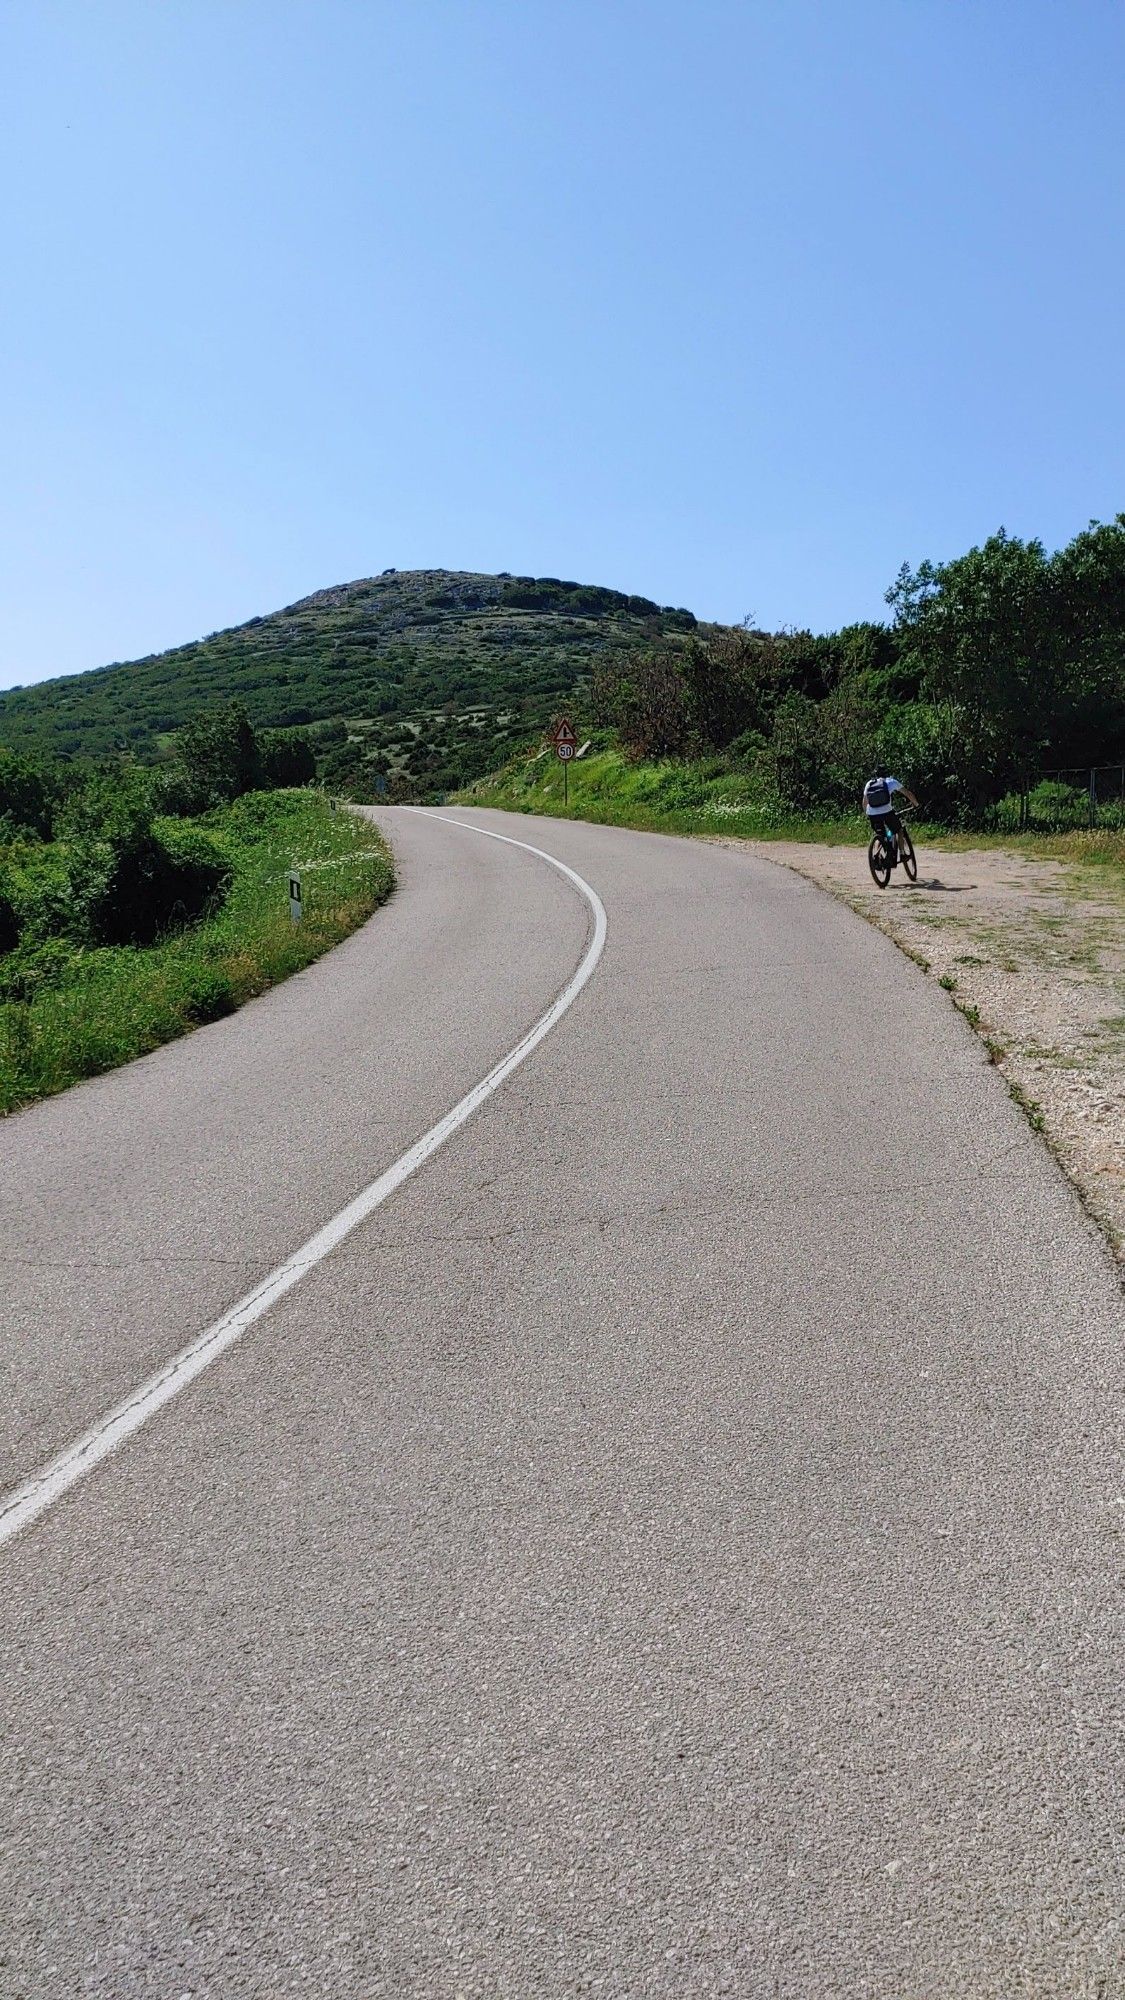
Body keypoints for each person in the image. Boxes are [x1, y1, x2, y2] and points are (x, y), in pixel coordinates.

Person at [862, 772, 919, 856]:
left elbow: (864, 802)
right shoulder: (891, 781)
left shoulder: (869, 783)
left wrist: (867, 813)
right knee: (899, 830)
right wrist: (916, 804)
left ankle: (877, 856)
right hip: (886, 812)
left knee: (879, 835)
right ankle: (903, 854)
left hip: (872, 813)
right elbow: (907, 793)